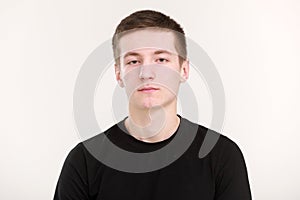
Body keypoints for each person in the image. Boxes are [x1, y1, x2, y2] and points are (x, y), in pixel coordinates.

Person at [54, 10, 252, 200]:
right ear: (118, 74)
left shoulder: (222, 156)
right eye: (133, 61)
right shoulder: (83, 161)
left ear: (184, 70)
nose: (146, 73)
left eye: (161, 59)